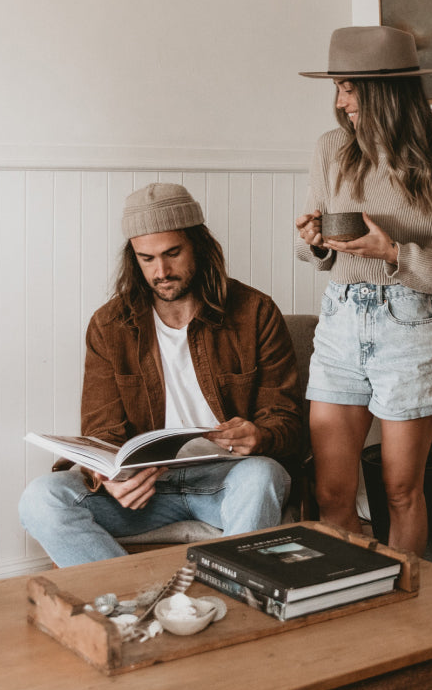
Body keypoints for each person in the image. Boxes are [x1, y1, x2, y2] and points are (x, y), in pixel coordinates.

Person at [19, 183, 305, 567]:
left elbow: (286, 420)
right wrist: (111, 477)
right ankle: (133, 602)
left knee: (263, 475)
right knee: (41, 497)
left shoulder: (255, 312)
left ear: (200, 247)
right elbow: (102, 430)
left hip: (230, 480)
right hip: (149, 491)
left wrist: (260, 434)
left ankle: (234, 601)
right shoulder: (110, 324)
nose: (161, 271)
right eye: (147, 258)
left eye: (173, 253)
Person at [295, 25, 432, 556]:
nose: (340, 102)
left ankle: (403, 614)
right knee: (333, 492)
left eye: (348, 88)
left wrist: (394, 253)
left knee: (400, 491)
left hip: (408, 324)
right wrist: (313, 242)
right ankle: (352, 600)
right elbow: (318, 249)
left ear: (384, 90)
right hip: (339, 323)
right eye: (337, 88)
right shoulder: (331, 149)